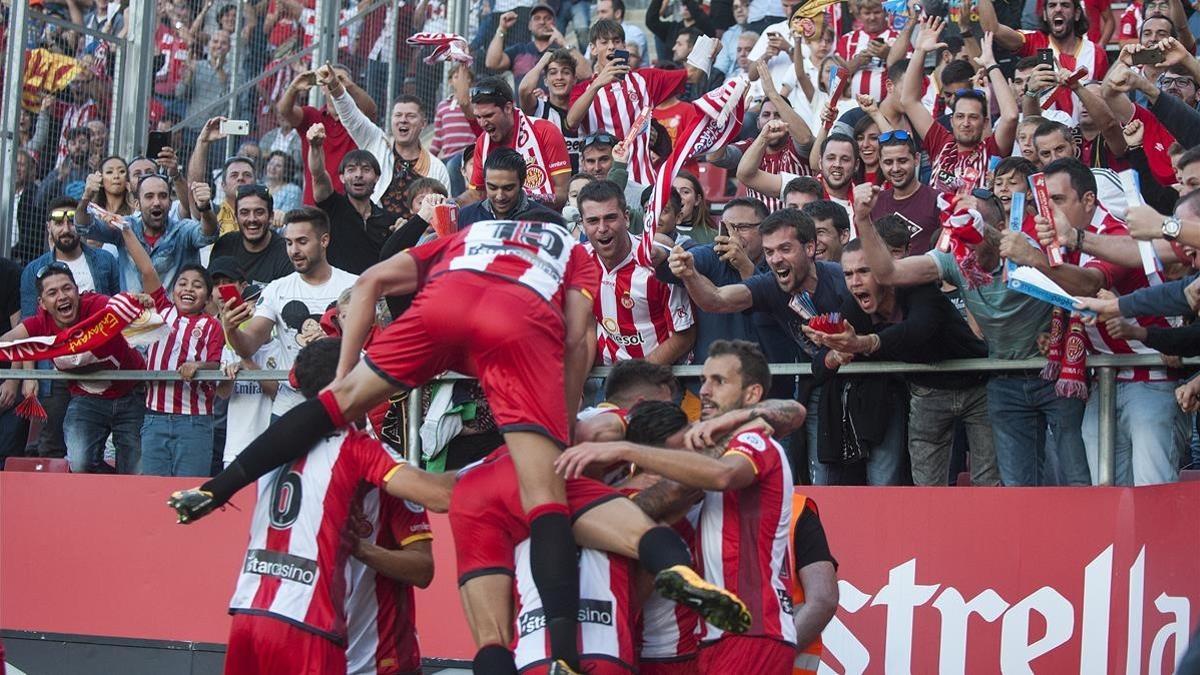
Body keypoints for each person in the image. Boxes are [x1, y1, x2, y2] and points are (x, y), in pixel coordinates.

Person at [172, 213, 748, 675]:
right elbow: (579, 335)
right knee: (556, 506)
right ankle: (572, 649)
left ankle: (215, 487)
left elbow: (369, 279)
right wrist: (564, 415)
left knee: (491, 636)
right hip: (515, 370)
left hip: (461, 478)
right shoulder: (571, 257)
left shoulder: (466, 235)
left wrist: (346, 385)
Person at [556, 340, 805, 674]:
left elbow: (720, 474)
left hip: (750, 629)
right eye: (703, 380)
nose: (703, 390)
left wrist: (627, 452)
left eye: (719, 381)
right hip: (713, 637)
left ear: (751, 393)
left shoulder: (751, 439)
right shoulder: (715, 443)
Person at [220, 338, 452, 675]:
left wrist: (359, 549)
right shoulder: (371, 456)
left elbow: (421, 568)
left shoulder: (269, 454)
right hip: (314, 638)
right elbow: (441, 498)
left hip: (370, 657)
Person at [1015, 160, 1187, 485]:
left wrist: (1034, 260)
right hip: (1104, 381)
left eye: (1059, 200)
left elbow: (1088, 284)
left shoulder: (1114, 232)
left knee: (1153, 493)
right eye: (1046, 201)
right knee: (1106, 497)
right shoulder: (1059, 243)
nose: (1051, 209)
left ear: (1089, 201)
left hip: (1149, 378)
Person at [668, 209, 850, 485]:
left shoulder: (842, 280)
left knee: (877, 479)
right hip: (818, 387)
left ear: (810, 247)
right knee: (818, 478)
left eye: (785, 249)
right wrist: (690, 274)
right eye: (769, 251)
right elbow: (716, 300)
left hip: (869, 386)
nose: (776, 259)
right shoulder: (770, 284)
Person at [807, 237, 1000, 487]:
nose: (855, 282)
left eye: (865, 271)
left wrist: (865, 343)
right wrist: (836, 354)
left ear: (888, 271)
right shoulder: (854, 309)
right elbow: (819, 366)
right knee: (927, 487)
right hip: (927, 391)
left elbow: (918, 330)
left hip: (978, 387)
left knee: (987, 483)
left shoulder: (919, 289)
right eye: (848, 274)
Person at [1, 264, 148, 474]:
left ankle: (123, 493)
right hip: (86, 398)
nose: (62, 296)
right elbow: (6, 343)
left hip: (131, 394)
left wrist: (139, 302)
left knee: (135, 470)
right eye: (52, 293)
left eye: (67, 288)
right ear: (42, 304)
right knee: (79, 464)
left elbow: (124, 305)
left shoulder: (98, 305)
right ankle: (108, 490)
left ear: (77, 292)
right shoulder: (38, 324)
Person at [219, 207, 359, 418]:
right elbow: (248, 346)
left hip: (344, 401)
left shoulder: (355, 285)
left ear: (324, 241)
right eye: (288, 242)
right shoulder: (277, 289)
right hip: (289, 407)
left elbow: (371, 346)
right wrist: (232, 330)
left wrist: (333, 340)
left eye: (302, 242)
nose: (294, 250)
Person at [118, 222, 223, 477]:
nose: (188, 288)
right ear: (172, 289)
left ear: (208, 298)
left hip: (195, 422)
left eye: (197, 285)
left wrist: (198, 366)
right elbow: (146, 268)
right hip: (154, 418)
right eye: (182, 283)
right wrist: (125, 230)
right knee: (152, 493)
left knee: (187, 494)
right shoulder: (161, 311)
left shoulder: (212, 326)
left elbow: (216, 365)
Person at [654, 196, 796, 368]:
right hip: (707, 382)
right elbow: (679, 264)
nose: (733, 236)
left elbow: (767, 310)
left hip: (767, 380)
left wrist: (744, 265)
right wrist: (665, 256)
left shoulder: (779, 263)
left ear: (764, 230)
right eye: (727, 228)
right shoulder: (713, 254)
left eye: (742, 227)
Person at [580, 181, 695, 366]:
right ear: (582, 224)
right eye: (593, 221)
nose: (602, 228)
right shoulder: (579, 263)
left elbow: (685, 336)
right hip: (610, 377)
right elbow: (584, 330)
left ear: (626, 218)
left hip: (663, 379)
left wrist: (635, 377)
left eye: (610, 218)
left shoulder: (657, 263)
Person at [901, 18, 1017, 196]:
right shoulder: (941, 143)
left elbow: (1010, 116)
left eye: (973, 117)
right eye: (960, 116)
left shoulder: (992, 149)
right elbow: (909, 100)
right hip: (938, 223)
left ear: (985, 121)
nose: (966, 123)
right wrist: (920, 51)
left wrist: (991, 65)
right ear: (952, 120)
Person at [567, 20, 688, 188]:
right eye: (604, 42)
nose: (611, 47)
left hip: (642, 182)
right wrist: (597, 84)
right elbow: (572, 122)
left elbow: (691, 75)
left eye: (616, 41)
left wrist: (708, 50)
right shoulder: (583, 89)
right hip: (599, 187)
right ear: (593, 48)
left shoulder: (645, 79)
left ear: (624, 46)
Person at [321, 66, 450, 216]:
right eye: (398, 115)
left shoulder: (437, 168)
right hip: (375, 233)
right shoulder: (376, 142)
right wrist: (335, 86)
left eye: (411, 116)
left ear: (424, 123)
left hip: (418, 238)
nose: (403, 120)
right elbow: (350, 114)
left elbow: (443, 214)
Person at [77, 174, 219, 293]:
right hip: (132, 320)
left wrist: (204, 208)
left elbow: (208, 234)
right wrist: (86, 197)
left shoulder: (182, 231)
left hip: (173, 321)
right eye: (149, 196)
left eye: (163, 196)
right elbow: (84, 227)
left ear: (170, 203)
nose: (156, 202)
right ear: (137, 204)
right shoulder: (125, 227)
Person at [978, 0, 1109, 121]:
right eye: (1052, 5)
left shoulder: (1096, 53)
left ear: (1077, 14)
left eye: (1065, 5)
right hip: (1044, 140)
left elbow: (1105, 103)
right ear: (1045, 15)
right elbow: (992, 30)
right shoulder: (1033, 41)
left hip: (1086, 139)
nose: (1058, 9)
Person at [307, 124, 408, 275]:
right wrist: (315, 146)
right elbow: (319, 175)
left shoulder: (389, 221)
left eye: (366, 169)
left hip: (374, 292)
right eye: (351, 169)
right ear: (341, 177)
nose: (358, 175)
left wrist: (403, 232)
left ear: (377, 177)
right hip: (337, 294)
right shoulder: (333, 206)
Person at [211, 258, 280, 468]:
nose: (222, 290)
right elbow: (223, 393)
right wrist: (230, 376)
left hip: (271, 446)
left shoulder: (278, 346)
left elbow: (276, 391)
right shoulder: (227, 347)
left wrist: (247, 362)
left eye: (228, 282)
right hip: (235, 448)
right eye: (216, 284)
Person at [465, 77, 572, 210]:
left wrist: (525, 201)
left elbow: (562, 194)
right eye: (478, 117)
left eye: (488, 116)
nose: (482, 123)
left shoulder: (545, 131)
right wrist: (452, 202)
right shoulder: (483, 141)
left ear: (508, 108)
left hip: (542, 221)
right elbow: (477, 194)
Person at [869, 131, 940, 255]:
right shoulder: (875, 202)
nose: (895, 168)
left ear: (916, 159)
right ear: (880, 163)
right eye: (888, 162)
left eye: (902, 161)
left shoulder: (938, 201)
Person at [209, 185, 294, 286]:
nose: (252, 219)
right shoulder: (224, 245)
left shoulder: (286, 252)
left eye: (259, 212)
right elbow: (210, 291)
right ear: (236, 217)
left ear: (271, 216)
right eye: (244, 213)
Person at [185, 119, 258, 235]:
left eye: (247, 175)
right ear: (223, 185)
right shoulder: (212, 213)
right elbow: (194, 187)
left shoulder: (264, 217)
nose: (240, 178)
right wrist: (202, 142)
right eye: (234, 175)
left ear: (256, 184)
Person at [486, 3, 585, 88]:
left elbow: (586, 73)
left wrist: (564, 42)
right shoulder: (519, 50)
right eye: (537, 18)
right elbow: (492, 63)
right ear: (529, 25)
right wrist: (502, 29)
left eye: (547, 18)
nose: (542, 22)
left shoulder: (562, 51)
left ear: (554, 24)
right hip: (525, 110)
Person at [459, 149, 566, 226]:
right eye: (492, 188)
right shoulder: (465, 217)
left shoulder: (547, 222)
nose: (500, 196)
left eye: (508, 188)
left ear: (522, 182)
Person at [519, 49, 584, 172]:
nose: (559, 77)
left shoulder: (584, 111)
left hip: (579, 186)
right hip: (548, 187)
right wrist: (543, 61)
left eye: (565, 72)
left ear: (574, 79)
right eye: (553, 73)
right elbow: (524, 90)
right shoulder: (538, 109)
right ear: (545, 80)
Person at [263, 150, 302, 215]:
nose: (272, 168)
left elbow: (288, 216)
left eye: (278, 166)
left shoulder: (292, 190)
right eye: (271, 163)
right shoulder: (260, 186)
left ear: (286, 171)